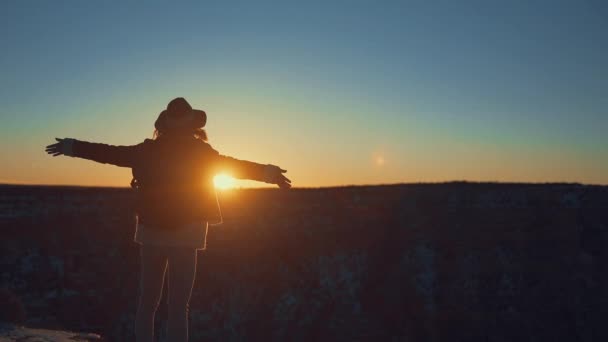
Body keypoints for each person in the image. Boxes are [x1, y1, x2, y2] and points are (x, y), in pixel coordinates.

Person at [45, 97, 291, 342]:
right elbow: (235, 167)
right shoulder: (200, 153)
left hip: (152, 229)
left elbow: (108, 153)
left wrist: (72, 146)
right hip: (188, 232)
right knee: (178, 307)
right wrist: (269, 173)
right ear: (193, 125)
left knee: (147, 302)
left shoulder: (146, 151)